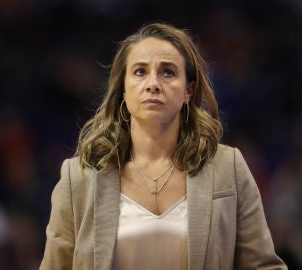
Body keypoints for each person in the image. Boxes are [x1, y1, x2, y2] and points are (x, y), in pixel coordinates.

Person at [39, 22, 288, 270]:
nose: (153, 84)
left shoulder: (228, 168)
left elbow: (263, 266)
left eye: (168, 72)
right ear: (123, 89)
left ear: (189, 90)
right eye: (140, 72)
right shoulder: (79, 178)